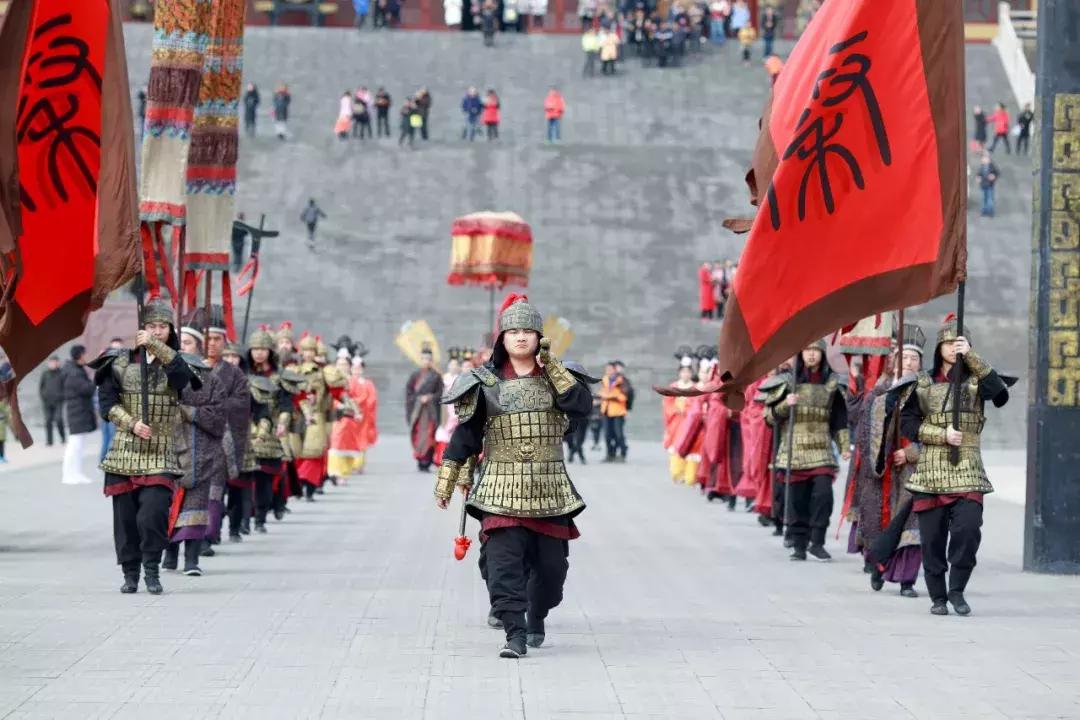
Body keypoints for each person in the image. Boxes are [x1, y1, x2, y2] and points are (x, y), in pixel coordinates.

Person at [435, 294, 594, 658]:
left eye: (529, 331)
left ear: (540, 337)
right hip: (498, 488)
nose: (521, 337)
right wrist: (446, 481)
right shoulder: (484, 382)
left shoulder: (559, 377)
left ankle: (536, 617)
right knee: (503, 566)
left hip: (550, 489)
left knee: (552, 573)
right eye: (513, 331)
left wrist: (551, 365)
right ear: (502, 339)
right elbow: (465, 437)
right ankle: (515, 634)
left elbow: (582, 408)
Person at [899, 316, 1011, 616]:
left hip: (969, 466)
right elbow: (907, 423)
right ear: (939, 347)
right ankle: (938, 596)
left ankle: (957, 589)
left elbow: (1000, 395)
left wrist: (972, 356)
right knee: (933, 539)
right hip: (932, 467)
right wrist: (941, 434)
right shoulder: (922, 382)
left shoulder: (976, 380)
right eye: (948, 343)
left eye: (958, 343)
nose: (952, 348)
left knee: (968, 530)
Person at [91, 298, 198, 594]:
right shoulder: (119, 361)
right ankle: (130, 573)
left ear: (170, 330)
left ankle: (152, 567)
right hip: (125, 450)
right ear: (140, 329)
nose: (156, 331)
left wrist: (156, 347)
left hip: (161, 449)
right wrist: (131, 423)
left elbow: (181, 381)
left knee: (152, 514)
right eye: (150, 326)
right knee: (125, 520)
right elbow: (107, 403)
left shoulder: (179, 362)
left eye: (162, 327)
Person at [763, 339, 850, 561]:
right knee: (796, 500)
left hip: (822, 448)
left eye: (815, 351)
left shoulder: (832, 384)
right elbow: (769, 418)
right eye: (807, 350)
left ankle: (817, 541)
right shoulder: (786, 383)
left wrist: (844, 445)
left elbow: (839, 419)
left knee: (823, 496)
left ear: (822, 355)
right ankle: (799, 544)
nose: (811, 355)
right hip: (793, 448)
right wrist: (785, 405)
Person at [163, 325, 224, 576]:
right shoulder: (162, 374)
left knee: (196, 506)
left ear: (198, 346)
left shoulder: (211, 379)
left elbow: (219, 416)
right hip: (169, 447)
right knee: (167, 505)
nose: (184, 346)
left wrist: (190, 412)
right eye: (182, 342)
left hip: (202, 450)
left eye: (189, 342)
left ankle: (191, 559)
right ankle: (169, 555)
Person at [329, 356, 378, 477]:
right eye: (340, 364)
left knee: (352, 442)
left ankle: (348, 469)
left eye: (345, 364)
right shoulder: (333, 379)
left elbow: (366, 397)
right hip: (338, 414)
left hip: (354, 415)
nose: (342, 367)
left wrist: (356, 407)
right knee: (337, 441)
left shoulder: (359, 382)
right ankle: (335, 470)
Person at [61, 345, 96, 485]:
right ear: (79, 356)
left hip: (80, 412)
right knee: (74, 445)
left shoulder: (77, 370)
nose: (87, 356)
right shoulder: (73, 372)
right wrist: (97, 380)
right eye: (85, 353)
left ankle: (77, 473)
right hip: (77, 413)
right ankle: (68, 475)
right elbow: (86, 389)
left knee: (79, 446)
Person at [406, 348, 443, 471]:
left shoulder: (436, 376)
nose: (426, 361)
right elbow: (409, 393)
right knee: (418, 434)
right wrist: (418, 399)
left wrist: (430, 397)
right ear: (420, 360)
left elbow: (440, 393)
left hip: (430, 411)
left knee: (429, 435)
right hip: (418, 411)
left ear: (431, 360)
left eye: (428, 359)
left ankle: (426, 460)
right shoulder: (415, 375)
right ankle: (419, 458)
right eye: (423, 359)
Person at [662, 354, 696, 481]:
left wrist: (688, 409)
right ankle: (677, 472)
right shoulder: (673, 386)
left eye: (688, 372)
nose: (685, 374)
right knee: (676, 444)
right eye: (683, 372)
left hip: (690, 420)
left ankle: (689, 474)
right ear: (679, 373)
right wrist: (676, 409)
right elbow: (667, 403)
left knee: (690, 444)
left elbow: (696, 403)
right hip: (676, 421)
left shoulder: (695, 387)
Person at [599, 362, 628, 462]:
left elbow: (625, 396)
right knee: (607, 435)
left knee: (618, 434)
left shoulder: (622, 381)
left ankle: (623, 453)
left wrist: (612, 396)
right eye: (607, 369)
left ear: (615, 370)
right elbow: (601, 392)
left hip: (618, 411)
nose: (608, 371)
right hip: (606, 410)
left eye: (610, 369)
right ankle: (610, 454)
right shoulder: (604, 380)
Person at [39, 355, 66, 446]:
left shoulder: (62, 373)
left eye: (54, 362)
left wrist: (62, 396)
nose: (52, 364)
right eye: (50, 362)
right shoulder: (45, 374)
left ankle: (63, 437)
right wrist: (43, 396)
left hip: (58, 401)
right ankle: (49, 441)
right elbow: (41, 387)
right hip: (47, 402)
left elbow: (65, 387)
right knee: (48, 421)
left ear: (58, 363)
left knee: (59, 420)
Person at [977, 153, 999, 218]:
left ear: (989, 160)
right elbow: (979, 174)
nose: (983, 160)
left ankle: (990, 212)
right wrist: (978, 177)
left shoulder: (992, 166)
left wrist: (994, 176)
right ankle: (984, 211)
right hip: (983, 185)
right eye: (982, 159)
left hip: (990, 185)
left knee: (990, 199)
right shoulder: (982, 166)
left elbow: (997, 173)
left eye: (984, 159)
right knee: (984, 198)